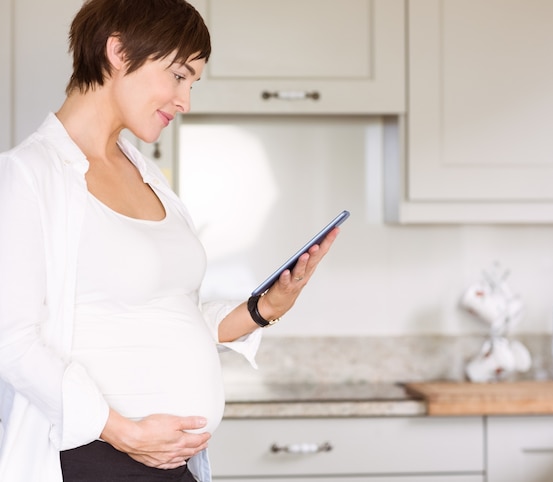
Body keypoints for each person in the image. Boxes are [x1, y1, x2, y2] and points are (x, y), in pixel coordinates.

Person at [0, 0, 339, 480]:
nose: (185, 101)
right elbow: (11, 340)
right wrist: (122, 431)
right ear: (118, 52)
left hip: (169, 465)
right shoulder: (27, 175)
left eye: (192, 83)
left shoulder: (147, 173)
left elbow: (159, 313)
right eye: (180, 76)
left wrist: (265, 308)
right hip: (89, 461)